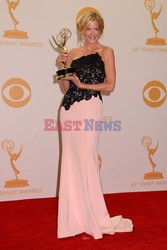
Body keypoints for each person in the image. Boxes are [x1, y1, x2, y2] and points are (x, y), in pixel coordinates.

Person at [57, 9, 133, 240]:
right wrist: (61, 68)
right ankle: (74, 220)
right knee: (70, 161)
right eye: (88, 29)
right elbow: (65, 88)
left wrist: (83, 85)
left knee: (88, 159)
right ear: (82, 30)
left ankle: (94, 215)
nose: (92, 34)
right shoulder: (72, 52)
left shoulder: (107, 51)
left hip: (90, 107)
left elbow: (110, 86)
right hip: (68, 110)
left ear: (101, 29)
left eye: (96, 29)